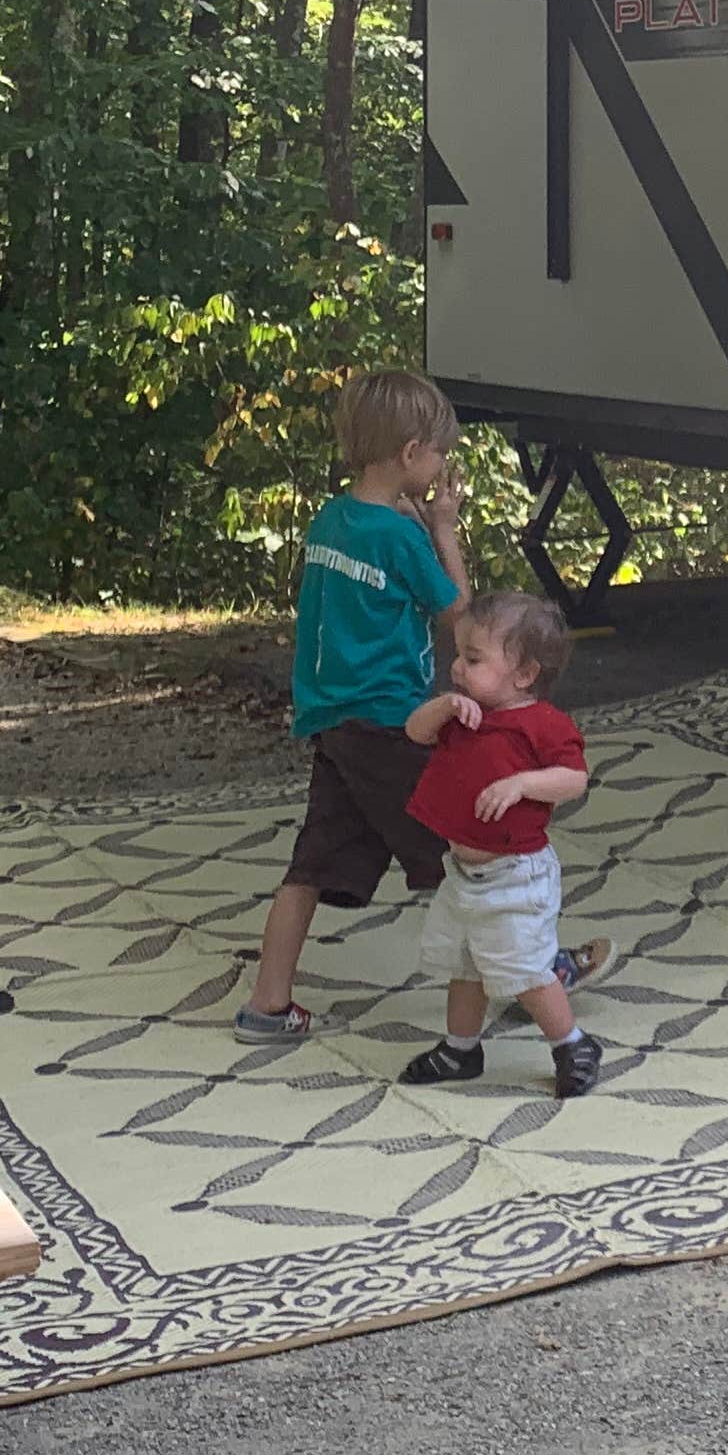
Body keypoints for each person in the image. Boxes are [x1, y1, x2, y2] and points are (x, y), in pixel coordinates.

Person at [235, 370, 471, 1043]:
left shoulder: (332, 519)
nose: (442, 468)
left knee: (311, 864)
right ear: (410, 452)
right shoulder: (400, 537)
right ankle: (535, 969)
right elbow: (460, 614)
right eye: (440, 454)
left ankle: (267, 1004)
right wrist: (445, 530)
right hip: (391, 721)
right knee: (473, 847)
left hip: (334, 719)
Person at [392, 590, 610, 1096]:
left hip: (516, 876)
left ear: (525, 674)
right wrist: (443, 706)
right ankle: (460, 1049)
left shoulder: (542, 724)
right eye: (458, 655)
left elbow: (574, 778)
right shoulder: (463, 714)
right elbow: (414, 732)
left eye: (473, 659)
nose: (457, 668)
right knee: (464, 964)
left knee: (526, 970)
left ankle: (573, 1044)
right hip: (462, 875)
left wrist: (523, 785)